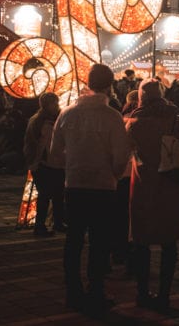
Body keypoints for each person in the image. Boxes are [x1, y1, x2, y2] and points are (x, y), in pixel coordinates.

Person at [49, 63, 132, 316]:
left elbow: (54, 154)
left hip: (74, 184)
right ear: (109, 86)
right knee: (99, 241)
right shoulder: (111, 117)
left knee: (73, 240)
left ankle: (72, 291)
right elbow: (121, 156)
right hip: (103, 186)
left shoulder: (67, 114)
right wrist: (113, 174)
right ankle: (95, 290)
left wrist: (73, 165)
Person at [125, 78, 179, 312]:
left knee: (141, 243)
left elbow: (124, 153)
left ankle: (142, 292)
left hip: (142, 185)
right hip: (169, 184)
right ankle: (164, 294)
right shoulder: (175, 119)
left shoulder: (132, 121)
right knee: (169, 242)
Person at [23, 92, 65, 236]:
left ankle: (56, 222)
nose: (57, 106)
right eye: (54, 103)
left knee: (56, 195)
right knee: (46, 195)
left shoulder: (40, 119)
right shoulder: (44, 122)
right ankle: (41, 226)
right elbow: (41, 145)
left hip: (54, 163)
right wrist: (36, 161)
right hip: (46, 163)